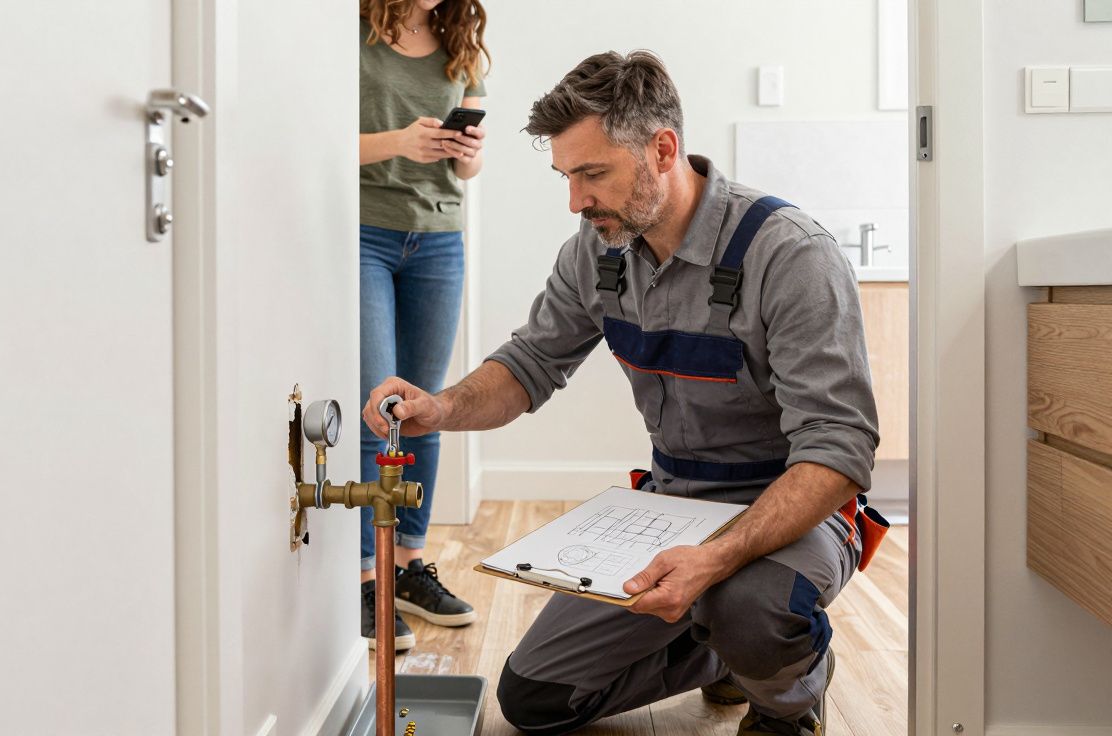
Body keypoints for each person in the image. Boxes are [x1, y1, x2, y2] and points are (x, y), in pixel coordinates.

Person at [362, 51, 880, 736]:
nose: (576, 201)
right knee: (534, 700)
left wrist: (715, 560)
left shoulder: (788, 256)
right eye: (566, 176)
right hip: (675, 502)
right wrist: (442, 407)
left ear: (663, 149)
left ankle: (786, 701)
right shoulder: (596, 251)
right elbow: (529, 363)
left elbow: (840, 450)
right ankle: (725, 655)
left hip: (794, 508)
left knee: (751, 605)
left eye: (592, 174)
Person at [357, 0, 490, 652]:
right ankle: (365, 577)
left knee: (424, 407)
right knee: (379, 405)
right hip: (364, 232)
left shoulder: (459, 36)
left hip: (439, 238)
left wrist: (465, 152)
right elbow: (314, 137)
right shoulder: (350, 32)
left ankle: (408, 565)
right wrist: (399, 142)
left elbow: (470, 171)